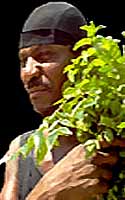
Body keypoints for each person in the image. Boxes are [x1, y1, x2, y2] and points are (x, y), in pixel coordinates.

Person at [0, 1, 125, 200]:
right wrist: (50, 192)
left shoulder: (117, 137)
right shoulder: (22, 150)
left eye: (45, 56)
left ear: (83, 62)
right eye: (23, 61)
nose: (29, 72)